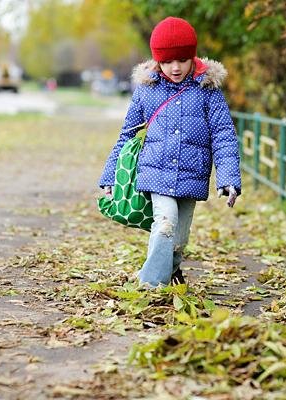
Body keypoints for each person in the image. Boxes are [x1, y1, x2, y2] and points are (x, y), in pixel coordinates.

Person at [99, 16, 241, 287]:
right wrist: (110, 176)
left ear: (192, 56)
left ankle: (173, 272)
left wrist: (229, 179)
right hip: (156, 173)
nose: (175, 68)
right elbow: (127, 134)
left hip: (192, 174)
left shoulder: (208, 91)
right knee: (165, 225)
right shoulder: (146, 90)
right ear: (157, 60)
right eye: (167, 62)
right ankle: (151, 285)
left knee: (179, 239)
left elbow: (224, 136)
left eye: (182, 60)